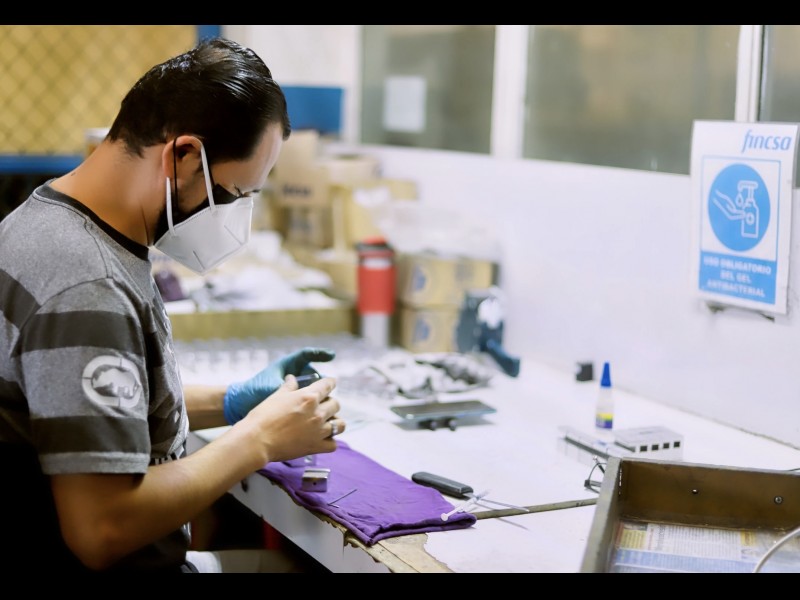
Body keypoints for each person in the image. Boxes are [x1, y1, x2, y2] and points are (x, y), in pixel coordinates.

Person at [0, 37, 345, 573]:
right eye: (233, 195)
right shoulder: (88, 283)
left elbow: (80, 409)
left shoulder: (49, 219)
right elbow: (102, 528)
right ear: (183, 155)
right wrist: (258, 440)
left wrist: (232, 402)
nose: (233, 220)